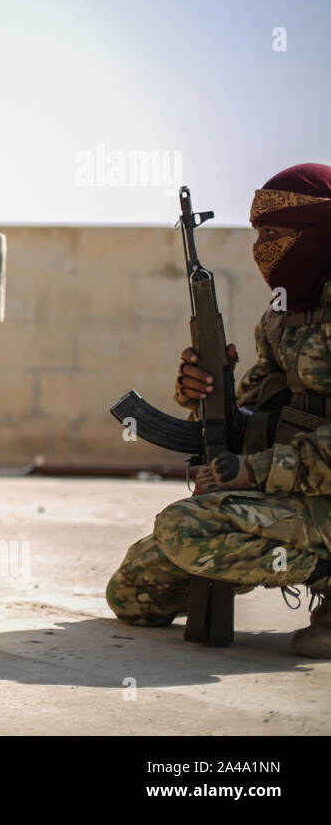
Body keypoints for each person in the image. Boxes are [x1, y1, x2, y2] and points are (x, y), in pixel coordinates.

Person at [107, 163, 331, 658]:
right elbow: (252, 418)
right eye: (257, 234)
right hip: (294, 494)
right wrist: (208, 397)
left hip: (314, 493)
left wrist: (252, 470)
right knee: (131, 593)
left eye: (276, 234)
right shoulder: (281, 316)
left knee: (184, 527)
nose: (262, 247)